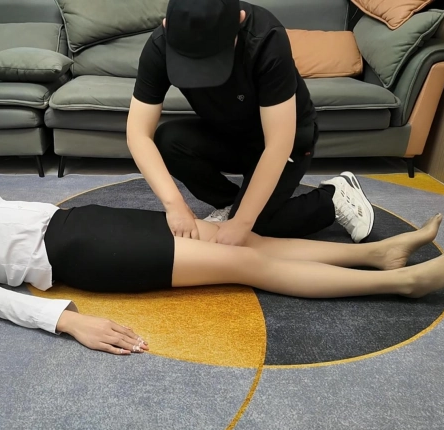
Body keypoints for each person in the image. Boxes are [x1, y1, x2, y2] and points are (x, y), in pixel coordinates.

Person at [0, 191, 444, 355]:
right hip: (81, 254)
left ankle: (375, 253)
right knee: (248, 264)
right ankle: (402, 281)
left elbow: (4, 209)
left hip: (86, 220)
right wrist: (67, 321)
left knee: (248, 237)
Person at [127, 0, 374, 246]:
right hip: (229, 135)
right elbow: (138, 133)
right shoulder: (160, 45)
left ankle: (332, 198)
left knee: (254, 230)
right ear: (167, 25)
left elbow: (278, 144)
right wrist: (174, 205)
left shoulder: (266, 39)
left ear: (240, 20)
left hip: (287, 142)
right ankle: (231, 203)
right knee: (168, 140)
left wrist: (243, 223)